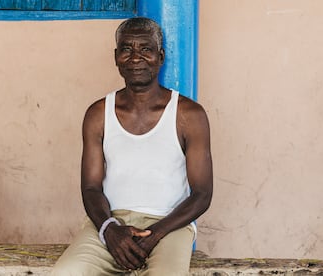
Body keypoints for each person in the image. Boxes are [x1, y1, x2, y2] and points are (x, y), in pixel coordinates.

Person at [51, 17, 213, 276]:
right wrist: (109, 228)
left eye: (146, 49)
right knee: (65, 273)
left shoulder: (189, 115)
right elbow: (91, 187)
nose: (135, 57)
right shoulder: (98, 114)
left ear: (160, 57)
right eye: (127, 49)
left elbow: (202, 193)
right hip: (111, 222)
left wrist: (155, 234)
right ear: (116, 58)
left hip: (170, 226)